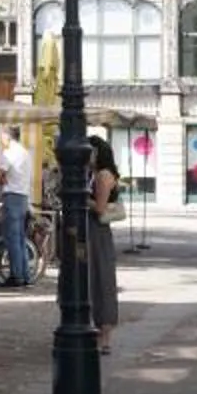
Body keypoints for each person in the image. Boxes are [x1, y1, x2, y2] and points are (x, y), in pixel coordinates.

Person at [88, 135, 122, 355]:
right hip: (94, 231)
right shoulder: (97, 174)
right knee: (97, 278)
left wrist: (81, 198)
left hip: (97, 231)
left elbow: (100, 208)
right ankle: (101, 333)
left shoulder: (102, 175)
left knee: (101, 278)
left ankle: (104, 335)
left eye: (89, 152)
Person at [0, 125, 35, 287]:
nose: (1, 139)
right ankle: (25, 276)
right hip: (23, 197)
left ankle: (16, 276)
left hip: (12, 197)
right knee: (21, 239)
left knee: (11, 238)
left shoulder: (8, 153)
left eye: (2, 136)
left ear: (7, 137)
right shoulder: (25, 153)